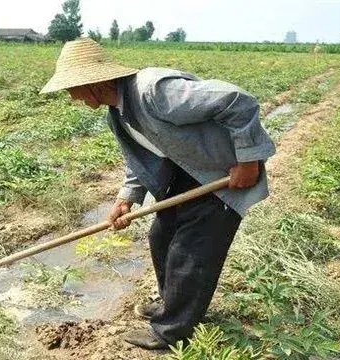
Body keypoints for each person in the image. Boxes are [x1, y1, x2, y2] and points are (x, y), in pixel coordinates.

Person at [40, 38, 276, 350]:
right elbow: (139, 158)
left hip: (219, 176)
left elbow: (237, 101)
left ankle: (171, 332)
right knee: (161, 238)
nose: (72, 97)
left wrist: (248, 160)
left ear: (94, 82)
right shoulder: (117, 112)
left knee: (191, 252)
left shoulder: (154, 91)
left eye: (72, 88)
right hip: (185, 174)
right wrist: (126, 199)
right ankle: (174, 306)